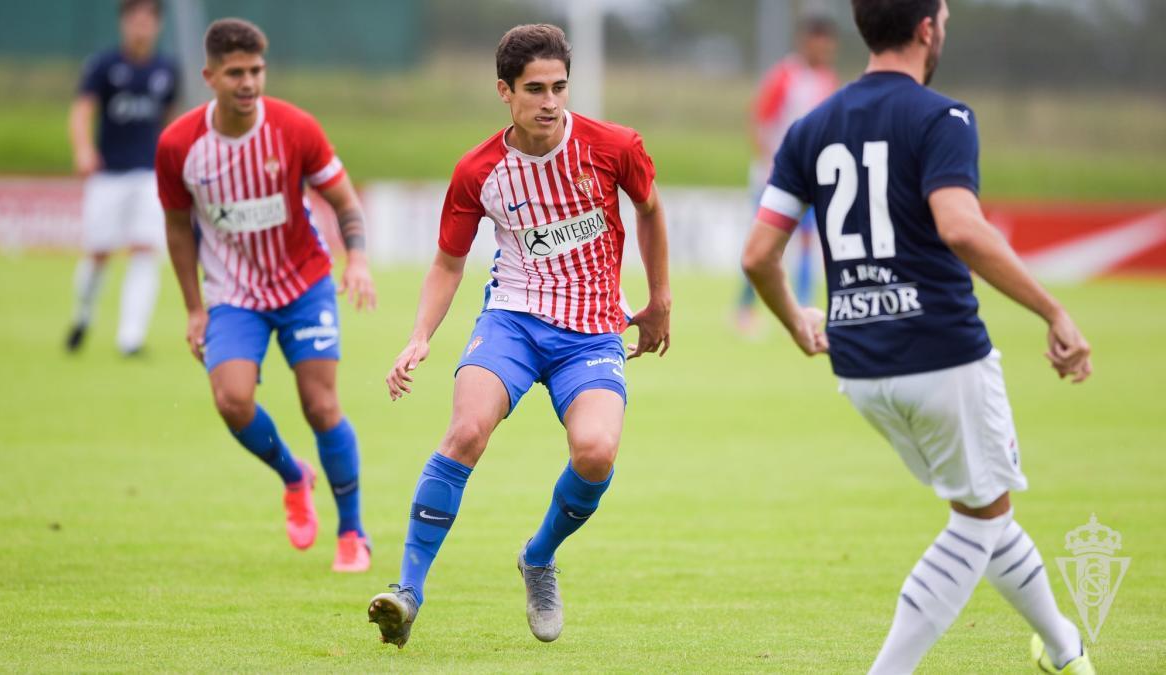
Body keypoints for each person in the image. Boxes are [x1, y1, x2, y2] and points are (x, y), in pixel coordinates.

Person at [741, 1, 1095, 673]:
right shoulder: (943, 116)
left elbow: (759, 254)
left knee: (985, 503)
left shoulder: (811, 128)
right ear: (927, 28)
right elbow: (961, 227)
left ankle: (1065, 651)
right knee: (980, 521)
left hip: (860, 367)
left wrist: (796, 322)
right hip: (942, 353)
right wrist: (1054, 310)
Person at [367, 23, 671, 649]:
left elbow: (649, 209)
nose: (551, 101)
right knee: (466, 431)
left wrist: (660, 299)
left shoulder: (613, 146)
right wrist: (420, 335)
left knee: (595, 452)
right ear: (505, 91)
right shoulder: (479, 171)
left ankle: (538, 557)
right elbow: (448, 262)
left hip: (591, 333)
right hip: (512, 320)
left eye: (560, 87)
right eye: (535, 89)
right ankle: (406, 592)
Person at [154, 18, 378, 573]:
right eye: (235, 73)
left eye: (256, 70)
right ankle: (293, 475)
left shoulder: (295, 128)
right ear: (209, 76)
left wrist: (358, 261)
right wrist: (193, 308)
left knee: (320, 405)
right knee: (231, 400)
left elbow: (346, 203)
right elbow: (179, 229)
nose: (249, 82)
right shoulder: (179, 145)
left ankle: (352, 532)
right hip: (233, 294)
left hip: (304, 284)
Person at [66, 0, 178, 355]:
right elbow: (82, 111)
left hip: (148, 175)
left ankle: (131, 338)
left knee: (145, 249)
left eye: (148, 19)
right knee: (99, 253)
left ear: (157, 25)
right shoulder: (104, 65)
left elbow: (170, 122)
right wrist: (83, 149)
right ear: (124, 23)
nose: (141, 26)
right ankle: (83, 315)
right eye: (135, 19)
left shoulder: (167, 69)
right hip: (108, 174)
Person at [736, 14, 838, 337]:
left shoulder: (827, 81)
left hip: (810, 181)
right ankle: (745, 309)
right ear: (805, 41)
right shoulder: (784, 76)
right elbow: (759, 119)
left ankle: (802, 311)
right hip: (775, 179)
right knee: (763, 248)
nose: (822, 49)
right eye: (816, 42)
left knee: (809, 245)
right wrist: (769, 163)